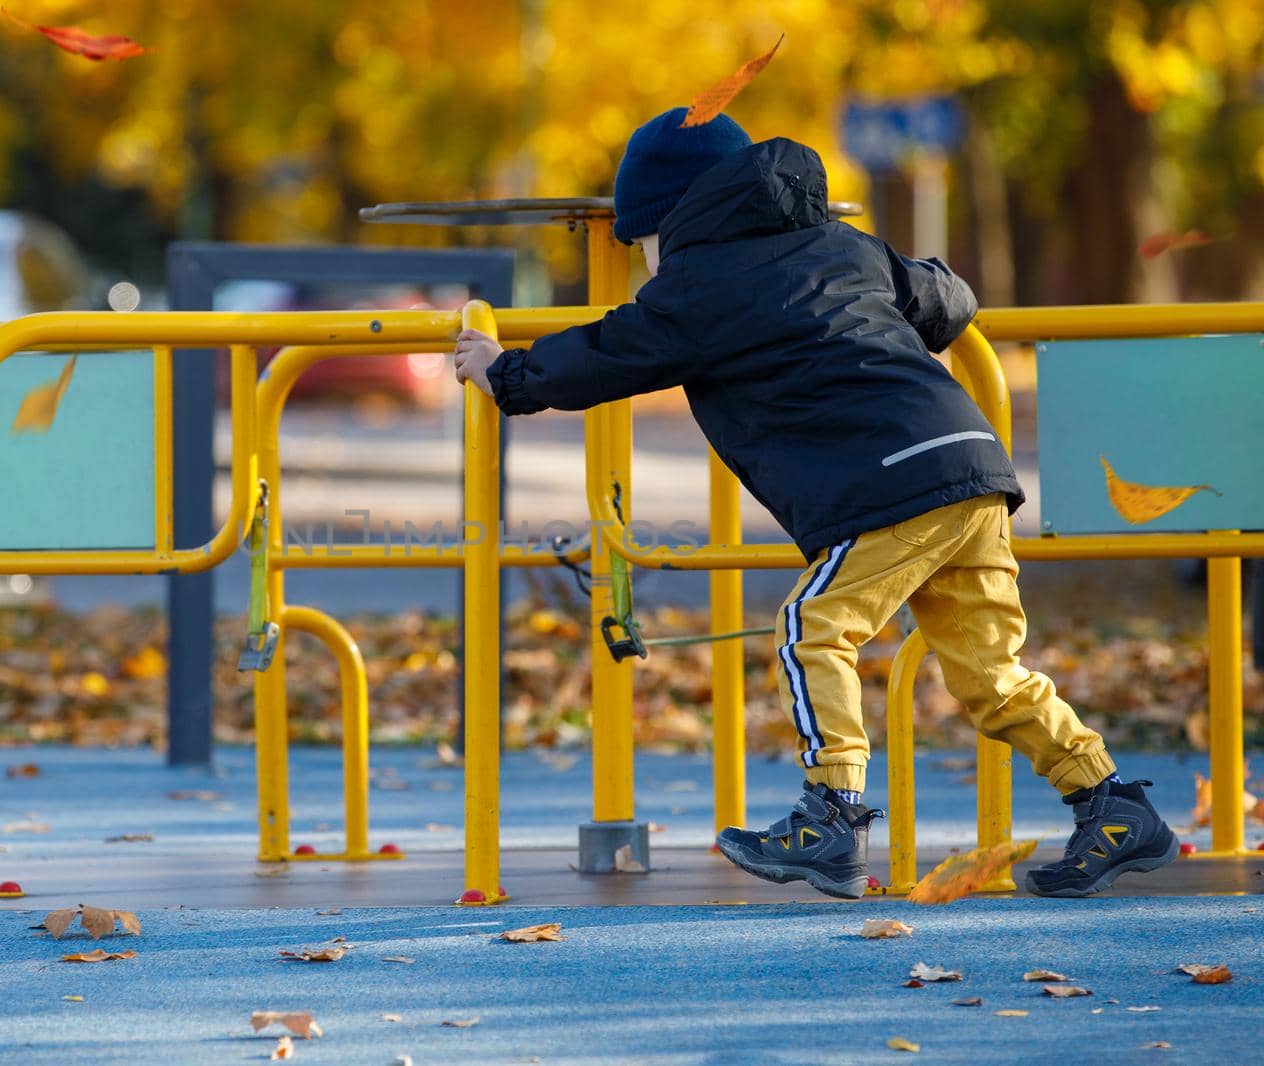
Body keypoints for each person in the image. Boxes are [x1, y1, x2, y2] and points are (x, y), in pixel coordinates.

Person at [451, 107, 1178, 899]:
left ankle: (832, 813)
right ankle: (1110, 803)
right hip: (970, 470)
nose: (643, 265)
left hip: (891, 484)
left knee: (814, 625)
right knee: (991, 673)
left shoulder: (699, 289)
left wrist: (504, 372)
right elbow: (947, 296)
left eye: (641, 245)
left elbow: (606, 353)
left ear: (674, 220)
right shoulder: (843, 246)